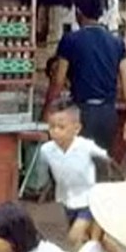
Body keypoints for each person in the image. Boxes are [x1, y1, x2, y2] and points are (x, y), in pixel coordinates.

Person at [43, 0, 126, 155]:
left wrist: (47, 113)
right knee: (99, 168)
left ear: (78, 12)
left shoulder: (70, 41)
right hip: (108, 116)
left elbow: (57, 82)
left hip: (81, 114)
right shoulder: (118, 43)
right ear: (102, 12)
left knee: (76, 167)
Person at [37, 102, 112, 244]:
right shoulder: (46, 150)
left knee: (74, 236)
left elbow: (106, 158)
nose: (55, 131)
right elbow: (46, 172)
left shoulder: (86, 147)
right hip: (67, 200)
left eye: (61, 127)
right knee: (92, 239)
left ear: (76, 128)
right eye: (52, 127)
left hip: (88, 199)